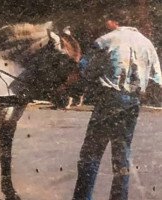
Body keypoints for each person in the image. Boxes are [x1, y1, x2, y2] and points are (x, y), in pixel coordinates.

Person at [72, 13, 162, 200]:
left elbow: (85, 70)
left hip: (109, 99)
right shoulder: (147, 44)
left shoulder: (106, 40)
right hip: (133, 102)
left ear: (114, 22)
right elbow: (157, 80)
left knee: (91, 153)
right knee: (122, 155)